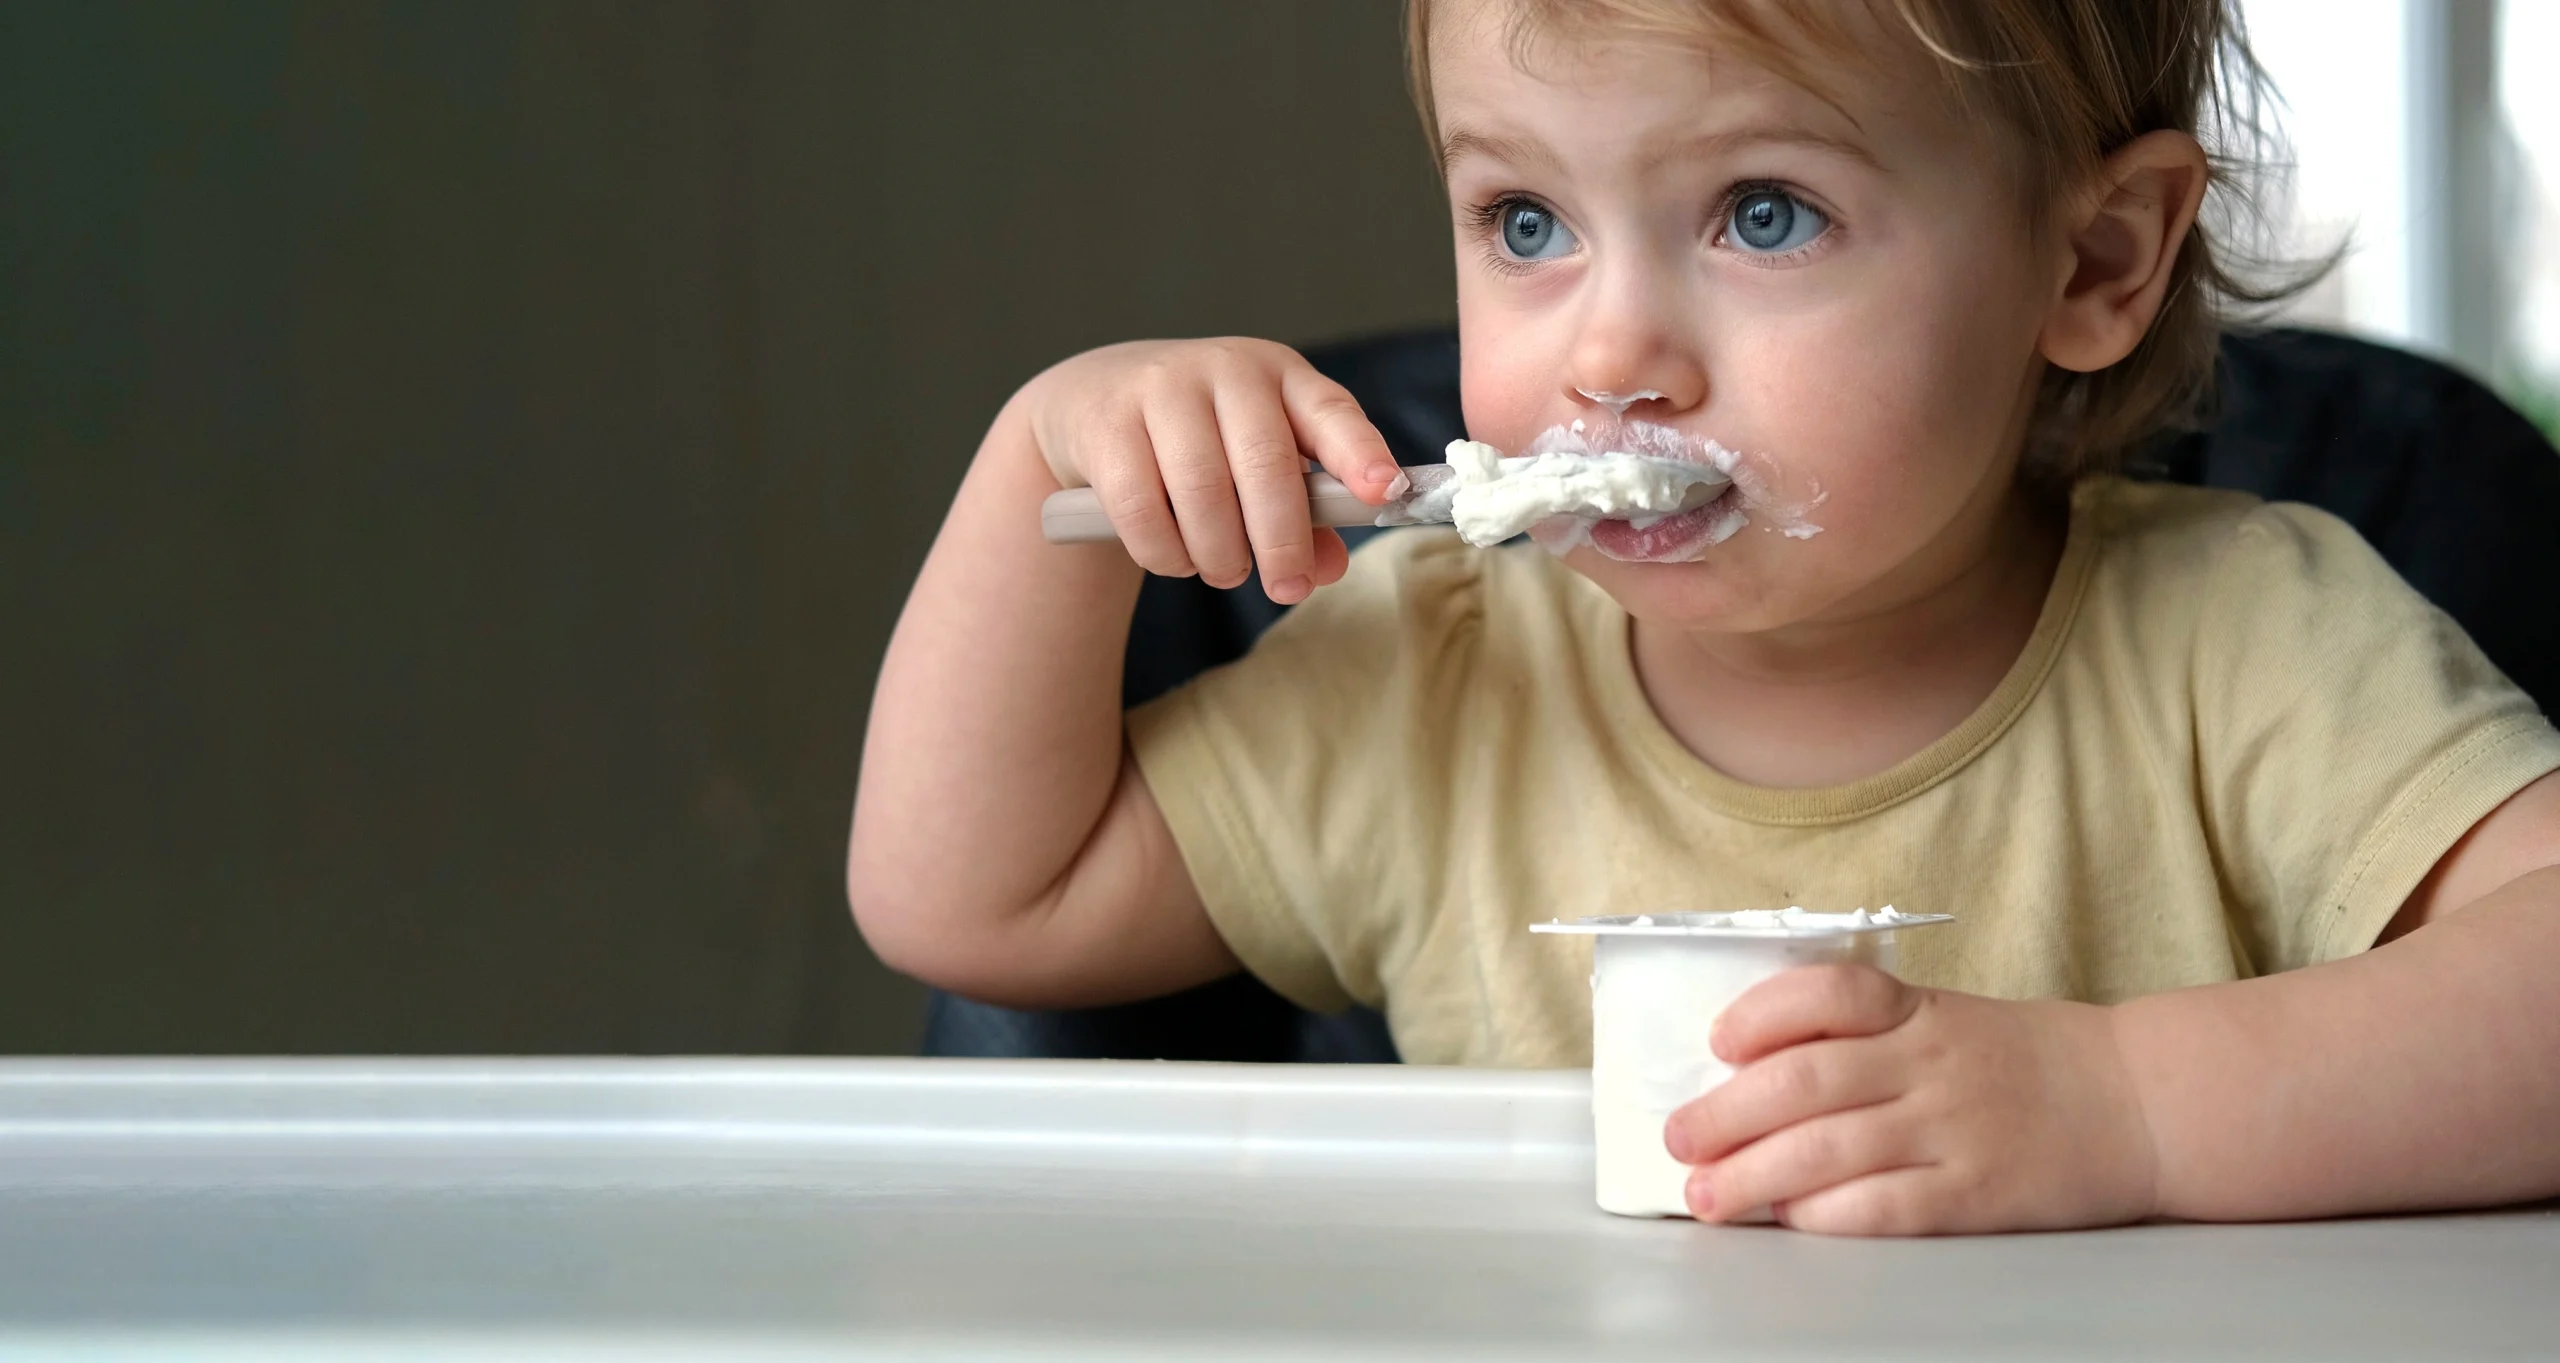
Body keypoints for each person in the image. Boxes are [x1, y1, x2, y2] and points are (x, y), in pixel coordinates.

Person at [847, 0, 2560, 1235]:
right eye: (1525, 222)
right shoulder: (1440, 676)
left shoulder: (2243, 643)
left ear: (2095, 262)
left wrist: (2129, 1112)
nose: (1608, 358)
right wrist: (1038, 483)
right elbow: (980, 901)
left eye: (1764, 215)